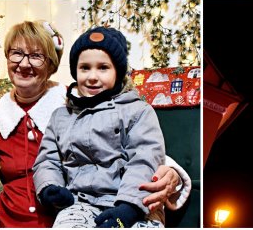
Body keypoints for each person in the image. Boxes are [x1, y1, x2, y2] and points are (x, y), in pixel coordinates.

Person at [0, 21, 190, 227]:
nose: (24, 63)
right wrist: (49, 188)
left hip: (125, 204)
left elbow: (144, 153)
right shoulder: (50, 114)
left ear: (51, 64)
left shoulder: (124, 108)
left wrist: (164, 180)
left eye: (36, 56)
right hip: (69, 209)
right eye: (16, 53)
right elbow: (45, 161)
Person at [33, 27, 164, 228]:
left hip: (132, 204)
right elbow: (47, 160)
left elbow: (144, 159)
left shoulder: (138, 111)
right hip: (79, 203)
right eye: (85, 68)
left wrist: (129, 208)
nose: (92, 76)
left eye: (103, 67)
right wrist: (50, 187)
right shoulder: (60, 116)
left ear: (118, 72)